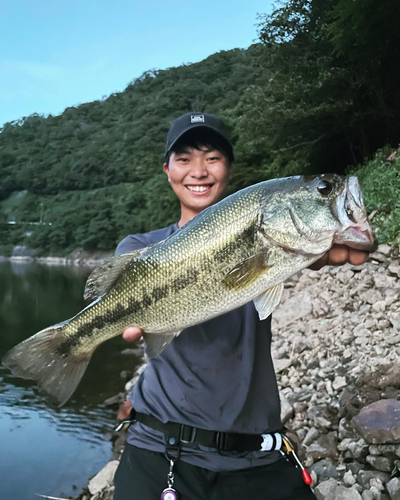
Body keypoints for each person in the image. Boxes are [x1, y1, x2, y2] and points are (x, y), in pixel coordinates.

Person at [113, 112, 368, 500]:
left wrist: (311, 249)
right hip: (159, 447)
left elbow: (292, 251)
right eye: (184, 159)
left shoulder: (269, 234)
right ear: (167, 171)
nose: (198, 171)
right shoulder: (140, 249)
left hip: (256, 452)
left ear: (229, 168)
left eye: (212, 157)